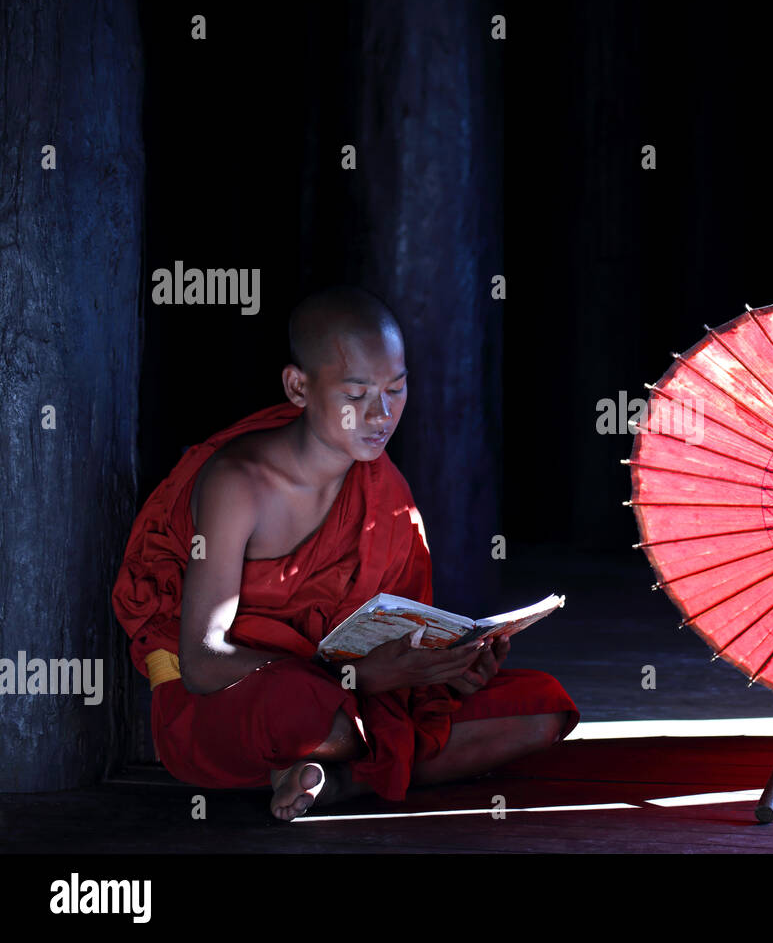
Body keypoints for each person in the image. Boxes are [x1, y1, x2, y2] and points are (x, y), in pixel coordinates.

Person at [112, 286, 579, 820]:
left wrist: (449, 666)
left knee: (541, 710)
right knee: (315, 715)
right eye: (356, 396)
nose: (381, 414)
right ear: (298, 387)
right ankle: (341, 764)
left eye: (396, 390)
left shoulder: (386, 493)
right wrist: (355, 680)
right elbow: (200, 661)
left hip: (358, 694)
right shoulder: (239, 483)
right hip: (235, 700)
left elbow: (393, 631)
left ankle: (332, 782)